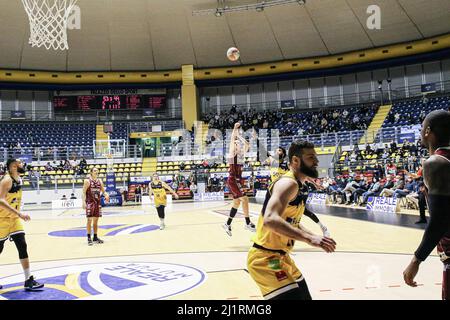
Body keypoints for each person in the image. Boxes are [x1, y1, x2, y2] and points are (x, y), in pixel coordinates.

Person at [247, 140, 337, 300]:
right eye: (311, 157)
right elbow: (270, 219)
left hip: (283, 258)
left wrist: (316, 237)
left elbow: (291, 222)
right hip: (265, 259)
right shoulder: (288, 183)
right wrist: (310, 238)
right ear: (295, 160)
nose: (316, 161)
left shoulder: (297, 185)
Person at [403, 110, 450, 300]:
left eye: (422, 127)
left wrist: (417, 259)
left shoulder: (436, 162)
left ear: (428, 131)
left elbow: (439, 221)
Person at [0, 159, 44, 291]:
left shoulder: (18, 178)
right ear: (13, 166)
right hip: (2, 219)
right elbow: (1, 200)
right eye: (19, 163)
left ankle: (28, 280)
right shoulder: (6, 180)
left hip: (14, 220)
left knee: (22, 245)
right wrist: (19, 213)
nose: (22, 165)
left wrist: (18, 213)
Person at [223, 123, 256, 236]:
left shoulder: (241, 155)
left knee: (237, 202)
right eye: (236, 144)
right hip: (233, 180)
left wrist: (240, 138)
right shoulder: (232, 154)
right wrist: (234, 130)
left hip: (238, 180)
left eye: (238, 144)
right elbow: (232, 140)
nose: (238, 145)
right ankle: (247, 223)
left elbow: (247, 144)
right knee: (245, 199)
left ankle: (227, 224)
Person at [82, 167, 109, 246]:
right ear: (91, 172)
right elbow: (83, 192)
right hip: (90, 203)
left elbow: (103, 192)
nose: (96, 172)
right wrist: (83, 202)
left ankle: (95, 237)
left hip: (97, 203)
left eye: (97, 171)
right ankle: (89, 238)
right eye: (94, 171)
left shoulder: (100, 181)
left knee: (96, 222)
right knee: (89, 220)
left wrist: (106, 195)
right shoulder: (87, 181)